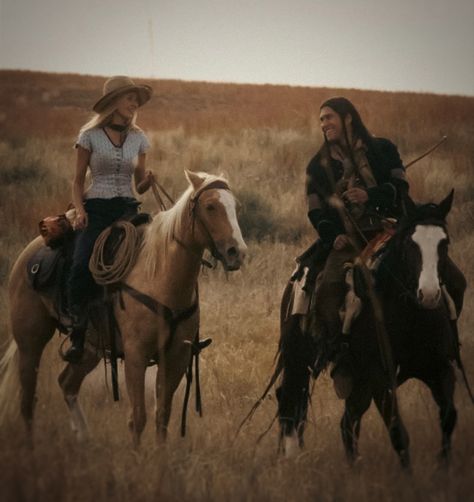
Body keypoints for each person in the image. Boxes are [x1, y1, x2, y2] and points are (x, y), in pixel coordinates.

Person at [305, 97, 410, 398]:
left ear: (348, 118)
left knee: (433, 270)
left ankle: (440, 340)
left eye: (328, 118)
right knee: (328, 287)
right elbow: (315, 211)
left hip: (388, 231)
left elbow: (401, 189)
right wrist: (331, 237)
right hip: (348, 240)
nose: (324, 124)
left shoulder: (384, 150)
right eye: (321, 120)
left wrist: (370, 195)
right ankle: (339, 355)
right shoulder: (318, 165)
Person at [64, 76, 155, 363]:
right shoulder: (89, 136)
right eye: (130, 98)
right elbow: (77, 182)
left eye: (136, 101)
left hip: (128, 208)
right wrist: (80, 211)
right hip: (97, 209)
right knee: (81, 262)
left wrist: (149, 181)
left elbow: (139, 185)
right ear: (114, 101)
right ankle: (78, 332)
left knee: (158, 252)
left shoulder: (139, 138)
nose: (134, 104)